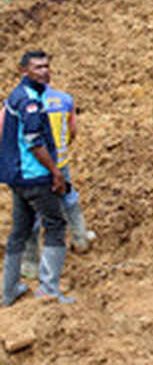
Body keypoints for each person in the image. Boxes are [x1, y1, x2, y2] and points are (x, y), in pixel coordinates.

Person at [2, 51, 74, 305]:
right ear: (24, 71)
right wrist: (56, 172)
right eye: (37, 67)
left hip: (17, 176)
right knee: (55, 225)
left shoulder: (17, 96)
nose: (44, 71)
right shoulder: (30, 101)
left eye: (46, 66)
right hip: (35, 176)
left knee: (20, 230)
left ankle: (8, 290)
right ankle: (49, 289)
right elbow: (34, 142)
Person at [20, 79, 96, 278]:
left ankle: (30, 263)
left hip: (32, 167)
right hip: (59, 163)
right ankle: (81, 240)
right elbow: (73, 131)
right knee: (68, 197)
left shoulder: (20, 102)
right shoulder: (64, 99)